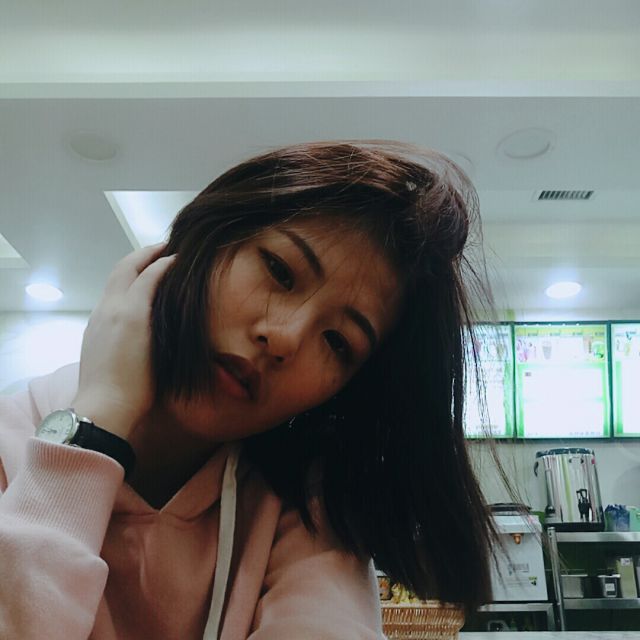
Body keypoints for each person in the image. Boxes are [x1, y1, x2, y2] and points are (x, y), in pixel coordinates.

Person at [0, 141, 497, 639]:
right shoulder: (11, 441)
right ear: (206, 239)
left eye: (337, 342)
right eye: (280, 271)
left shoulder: (302, 511)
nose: (284, 337)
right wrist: (98, 423)